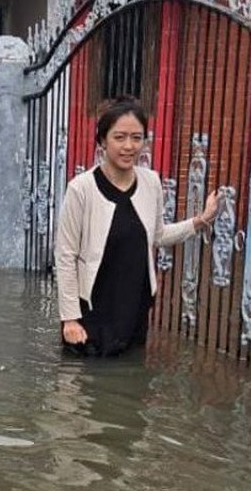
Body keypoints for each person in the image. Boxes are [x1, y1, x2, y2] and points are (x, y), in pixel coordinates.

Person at [56, 97, 218, 357]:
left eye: (136, 137)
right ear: (102, 141)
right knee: (83, 381)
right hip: (93, 308)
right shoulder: (81, 188)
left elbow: (158, 235)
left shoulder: (151, 182)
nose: (129, 146)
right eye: (119, 137)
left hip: (134, 305)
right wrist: (70, 318)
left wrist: (200, 221)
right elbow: (65, 256)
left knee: (130, 376)